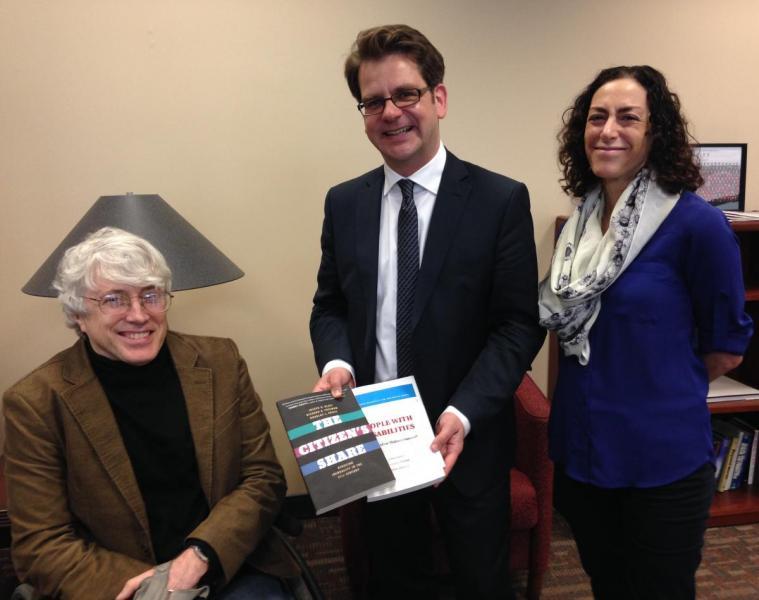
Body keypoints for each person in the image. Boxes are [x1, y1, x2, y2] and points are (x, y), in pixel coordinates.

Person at [309, 24, 545, 600]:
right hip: (379, 429)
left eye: (405, 94)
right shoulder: (345, 203)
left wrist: (464, 413)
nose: (390, 112)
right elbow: (330, 304)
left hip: (465, 430)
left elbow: (518, 325)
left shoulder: (499, 200)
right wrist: (338, 362)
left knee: (481, 578)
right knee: (393, 574)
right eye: (373, 101)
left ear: (438, 98)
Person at [539, 65, 754, 599]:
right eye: (597, 117)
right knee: (608, 586)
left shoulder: (697, 226)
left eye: (628, 117)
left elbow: (726, 347)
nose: (608, 130)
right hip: (583, 454)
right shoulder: (582, 226)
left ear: (655, 133)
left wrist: (655, 385)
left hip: (661, 463)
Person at [3, 227, 299, 599]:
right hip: (117, 583)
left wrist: (200, 555)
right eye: (114, 299)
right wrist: (160, 588)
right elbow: (40, 545)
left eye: (150, 295)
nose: (139, 315)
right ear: (78, 313)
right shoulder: (34, 403)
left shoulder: (220, 362)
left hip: (226, 564)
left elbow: (263, 478)